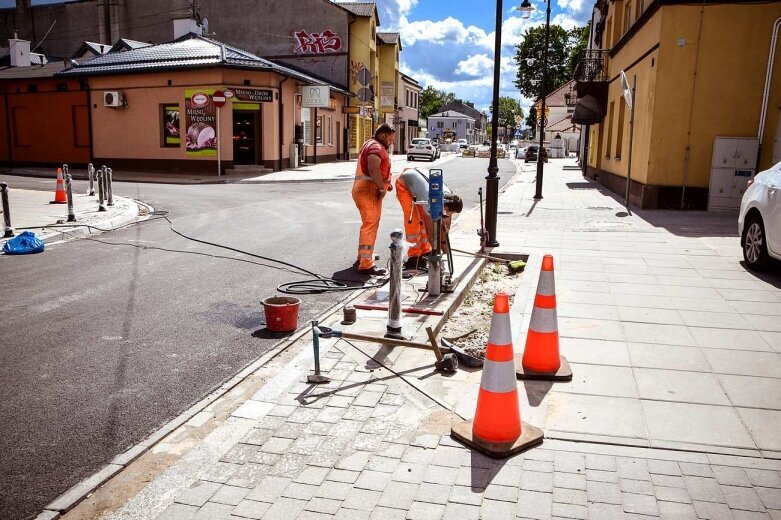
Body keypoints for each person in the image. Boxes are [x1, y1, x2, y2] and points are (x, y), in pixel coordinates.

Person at [395, 168, 462, 269]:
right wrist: (436, 252)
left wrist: (444, 243)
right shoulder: (431, 199)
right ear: (447, 207)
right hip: (405, 183)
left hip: (418, 181)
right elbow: (429, 228)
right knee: (415, 221)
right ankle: (414, 256)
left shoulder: (450, 197)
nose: (449, 214)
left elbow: (446, 222)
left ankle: (425, 251)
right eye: (450, 211)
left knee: (424, 221)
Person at [352, 123, 396, 275]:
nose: (391, 142)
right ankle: (366, 264)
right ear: (383, 135)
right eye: (390, 139)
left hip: (364, 188)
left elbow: (377, 170)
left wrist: (385, 183)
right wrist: (381, 187)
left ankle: (363, 256)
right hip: (369, 190)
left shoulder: (370, 144)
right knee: (370, 224)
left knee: (368, 224)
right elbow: (373, 167)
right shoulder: (376, 147)